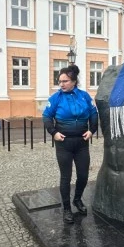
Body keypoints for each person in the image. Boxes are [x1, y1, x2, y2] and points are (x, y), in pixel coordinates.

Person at [42, 65, 98, 224]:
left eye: (65, 81)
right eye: (59, 81)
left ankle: (77, 200)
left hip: (81, 143)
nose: (61, 84)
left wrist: (92, 130)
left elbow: (94, 114)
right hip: (64, 143)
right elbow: (46, 116)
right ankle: (67, 208)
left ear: (73, 81)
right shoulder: (55, 98)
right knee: (66, 177)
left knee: (83, 175)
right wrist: (54, 132)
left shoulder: (84, 96)